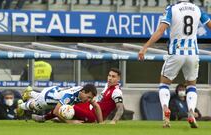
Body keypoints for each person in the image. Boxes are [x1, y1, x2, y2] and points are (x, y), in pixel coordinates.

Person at [138, 0, 211, 128]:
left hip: (177, 52)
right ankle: (191, 112)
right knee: (191, 85)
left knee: (164, 83)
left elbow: (160, 31)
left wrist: (145, 47)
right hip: (193, 53)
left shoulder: (172, 9)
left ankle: (166, 111)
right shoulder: (197, 9)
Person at [33, 68, 124, 124]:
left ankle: (46, 118)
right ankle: (55, 117)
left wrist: (114, 121)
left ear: (118, 78)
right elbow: (97, 104)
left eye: (113, 76)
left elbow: (120, 108)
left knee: (70, 108)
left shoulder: (116, 91)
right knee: (68, 103)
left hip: (93, 116)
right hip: (89, 108)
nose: (110, 78)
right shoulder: (107, 86)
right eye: (109, 75)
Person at [18, 84, 103, 123]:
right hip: (46, 99)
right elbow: (56, 112)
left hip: (54, 90)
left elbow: (96, 106)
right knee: (34, 106)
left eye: (90, 98)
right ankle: (21, 105)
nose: (89, 100)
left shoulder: (83, 92)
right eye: (88, 97)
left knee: (38, 97)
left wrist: (101, 123)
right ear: (83, 92)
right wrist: (70, 122)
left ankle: (30, 93)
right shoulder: (69, 97)